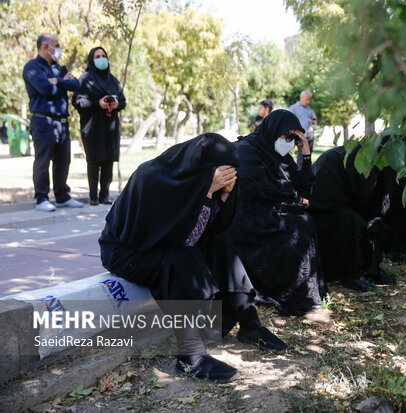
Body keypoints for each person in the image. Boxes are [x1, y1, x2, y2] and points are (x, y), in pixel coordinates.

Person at [99, 133, 286, 383]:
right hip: (127, 251)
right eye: (222, 171)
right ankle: (190, 356)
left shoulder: (198, 181)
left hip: (169, 243)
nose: (228, 177)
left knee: (222, 247)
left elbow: (211, 231)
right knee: (179, 259)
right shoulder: (152, 177)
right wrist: (206, 190)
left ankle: (249, 324)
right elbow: (181, 239)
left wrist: (224, 196)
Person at [228, 109, 326, 316]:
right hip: (247, 217)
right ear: (273, 129)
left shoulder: (280, 156)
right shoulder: (248, 149)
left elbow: (303, 187)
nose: (290, 141)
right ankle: (289, 292)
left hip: (269, 209)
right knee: (299, 224)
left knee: (304, 221)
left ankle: (303, 292)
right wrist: (295, 199)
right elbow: (258, 187)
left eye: (294, 137)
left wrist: (305, 153)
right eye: (287, 135)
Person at [308, 145, 398, 291]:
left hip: (343, 203)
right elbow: (324, 201)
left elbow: (363, 193)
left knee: (373, 221)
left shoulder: (361, 162)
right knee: (351, 222)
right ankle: (350, 274)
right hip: (323, 209)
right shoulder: (334, 163)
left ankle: (371, 269)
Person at [23, 34, 84, 212]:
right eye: (56, 45)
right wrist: (64, 83)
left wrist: (58, 80)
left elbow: (76, 85)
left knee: (63, 160)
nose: (59, 49)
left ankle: (62, 195)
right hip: (43, 121)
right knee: (43, 161)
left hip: (62, 122)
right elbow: (45, 89)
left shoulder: (57, 69)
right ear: (45, 46)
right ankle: (41, 198)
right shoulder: (32, 68)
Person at [72, 47, 126, 205]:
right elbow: (78, 101)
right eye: (97, 56)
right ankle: (93, 196)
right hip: (93, 127)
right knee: (94, 160)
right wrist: (97, 104)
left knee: (108, 160)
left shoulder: (113, 80)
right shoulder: (85, 79)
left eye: (103, 56)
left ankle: (105, 195)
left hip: (110, 127)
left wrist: (116, 104)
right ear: (91, 59)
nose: (101, 59)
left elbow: (123, 101)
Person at [289, 90, 317, 168]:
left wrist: (313, 121)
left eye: (309, 100)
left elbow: (314, 119)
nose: (308, 102)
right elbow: (289, 121)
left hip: (310, 136)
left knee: (308, 156)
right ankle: (300, 174)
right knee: (301, 157)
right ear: (302, 98)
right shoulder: (293, 108)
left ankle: (308, 174)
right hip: (300, 136)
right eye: (307, 99)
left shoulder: (309, 108)